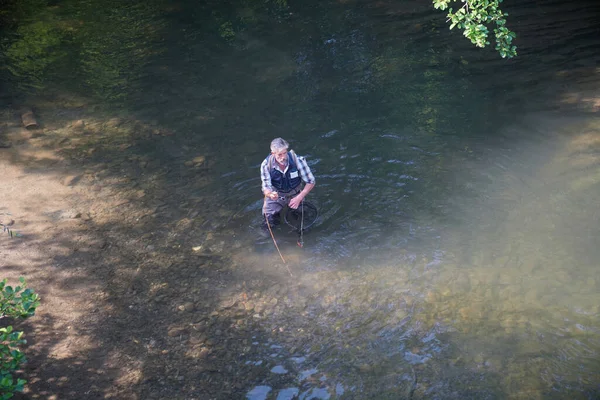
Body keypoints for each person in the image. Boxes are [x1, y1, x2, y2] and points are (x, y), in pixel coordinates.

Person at [260, 138, 315, 232]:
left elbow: (311, 181)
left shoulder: (298, 160)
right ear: (273, 153)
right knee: (268, 225)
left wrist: (299, 197)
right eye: (279, 154)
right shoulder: (266, 165)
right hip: (276, 195)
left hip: (296, 194)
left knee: (302, 222)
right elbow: (266, 187)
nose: (283, 157)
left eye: (285, 153)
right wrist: (270, 194)